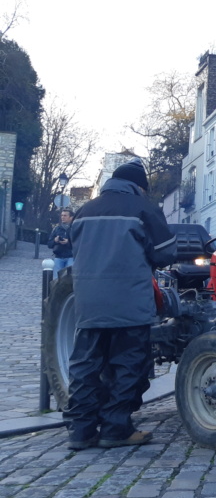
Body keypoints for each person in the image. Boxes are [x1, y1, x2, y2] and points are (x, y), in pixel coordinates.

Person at [65, 158, 177, 450]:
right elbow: (166, 254)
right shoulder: (143, 210)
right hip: (129, 302)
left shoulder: (83, 212)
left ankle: (80, 431)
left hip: (89, 304)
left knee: (85, 366)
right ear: (139, 186)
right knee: (129, 364)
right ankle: (115, 428)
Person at [47, 208, 75, 278]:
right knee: (56, 278)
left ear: (71, 217)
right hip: (58, 257)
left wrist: (68, 242)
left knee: (69, 278)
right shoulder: (57, 229)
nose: (62, 217)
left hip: (71, 257)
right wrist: (55, 241)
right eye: (62, 215)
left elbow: (79, 243)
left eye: (65, 215)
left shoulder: (75, 228)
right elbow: (49, 244)